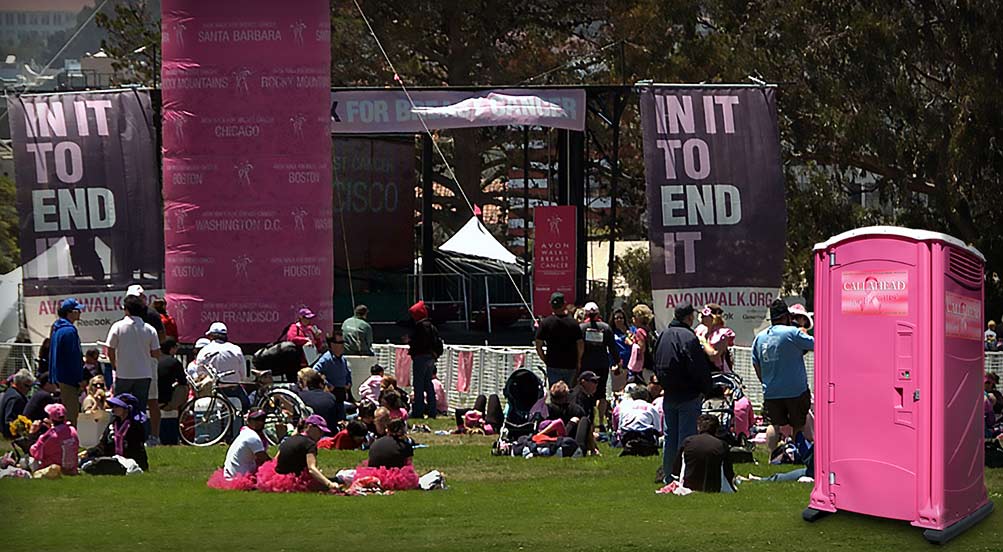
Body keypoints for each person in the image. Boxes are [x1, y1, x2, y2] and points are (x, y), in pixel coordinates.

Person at [654, 302, 715, 483]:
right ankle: (684, 477)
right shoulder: (689, 337)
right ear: (688, 317)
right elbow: (698, 367)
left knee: (670, 437)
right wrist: (707, 388)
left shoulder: (663, 335)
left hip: (669, 393)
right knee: (686, 438)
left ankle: (668, 475)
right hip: (688, 394)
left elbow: (655, 361)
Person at [752, 299, 815, 452]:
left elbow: (756, 363)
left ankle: (772, 455)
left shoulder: (759, 338)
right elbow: (816, 344)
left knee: (774, 424)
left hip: (771, 390)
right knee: (797, 424)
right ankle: (796, 452)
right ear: (786, 316)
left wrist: (765, 382)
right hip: (795, 390)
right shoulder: (793, 333)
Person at [106, 295, 161, 445]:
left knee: (118, 407)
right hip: (144, 374)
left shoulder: (118, 326)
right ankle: (139, 438)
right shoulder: (150, 329)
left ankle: (117, 436)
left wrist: (114, 365)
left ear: (126, 309)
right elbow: (156, 353)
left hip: (124, 373)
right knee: (140, 409)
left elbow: (109, 349)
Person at [256, 414, 339, 492]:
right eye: (320, 431)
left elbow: (275, 460)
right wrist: (329, 484)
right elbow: (312, 469)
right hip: (292, 482)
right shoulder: (309, 444)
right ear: (310, 427)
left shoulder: (289, 439)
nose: (321, 435)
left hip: (274, 479)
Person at [671, 414, 736, 493]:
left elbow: (676, 469)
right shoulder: (722, 445)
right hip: (715, 487)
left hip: (688, 485)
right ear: (716, 429)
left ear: (698, 427)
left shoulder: (687, 442)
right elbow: (728, 472)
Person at [208, 410, 271, 490]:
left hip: (231, 475)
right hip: (240, 478)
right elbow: (264, 460)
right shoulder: (253, 438)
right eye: (256, 419)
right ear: (248, 421)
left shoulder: (245, 433)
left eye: (262, 419)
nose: (260, 422)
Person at [86, 393, 149, 471]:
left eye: (117, 406)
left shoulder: (135, 426)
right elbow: (103, 444)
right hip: (112, 459)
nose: (113, 409)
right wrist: (88, 452)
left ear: (127, 409)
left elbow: (135, 450)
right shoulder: (113, 423)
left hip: (131, 461)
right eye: (113, 406)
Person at [402, 300, 443, 419]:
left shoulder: (420, 327)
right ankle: (432, 411)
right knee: (428, 384)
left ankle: (418, 411)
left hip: (420, 358)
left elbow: (420, 343)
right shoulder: (432, 327)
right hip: (431, 358)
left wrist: (410, 341)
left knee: (418, 385)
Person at [49, 297, 86, 426]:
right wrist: (79, 378)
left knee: (61, 414)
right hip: (69, 379)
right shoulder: (70, 331)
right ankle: (71, 442)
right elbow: (73, 358)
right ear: (70, 312)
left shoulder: (57, 328)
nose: (80, 313)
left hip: (59, 377)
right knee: (71, 415)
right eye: (78, 310)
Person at [579, 302, 617, 427]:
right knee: (601, 393)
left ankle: (588, 419)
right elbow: (612, 347)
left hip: (586, 364)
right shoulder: (606, 328)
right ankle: (601, 421)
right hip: (602, 364)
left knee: (585, 392)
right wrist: (617, 361)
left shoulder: (581, 328)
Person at [197, 322, 250, 411]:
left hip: (212, 391)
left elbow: (200, 373)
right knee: (247, 408)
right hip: (234, 390)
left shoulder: (204, 351)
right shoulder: (235, 349)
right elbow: (243, 375)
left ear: (211, 336)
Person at [535, 292, 584, 387]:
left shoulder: (545, 323)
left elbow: (538, 344)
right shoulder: (573, 324)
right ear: (564, 304)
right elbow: (580, 345)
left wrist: (545, 359)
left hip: (553, 364)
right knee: (569, 393)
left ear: (551, 305)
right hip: (570, 364)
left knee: (555, 393)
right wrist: (579, 361)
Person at [537, 381, 598, 455]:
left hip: (548, 443)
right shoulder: (576, 410)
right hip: (571, 445)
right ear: (567, 396)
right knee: (585, 421)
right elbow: (587, 432)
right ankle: (589, 449)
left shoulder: (545, 410)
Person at [29, 403, 79, 475]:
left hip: (53, 469)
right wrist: (52, 429)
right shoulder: (73, 430)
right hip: (71, 469)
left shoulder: (48, 436)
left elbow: (34, 452)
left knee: (30, 460)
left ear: (51, 418)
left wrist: (32, 433)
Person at [613, 384, 661, 456]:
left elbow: (620, 427)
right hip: (645, 434)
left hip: (627, 434)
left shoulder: (625, 407)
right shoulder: (651, 407)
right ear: (647, 396)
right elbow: (658, 428)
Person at [313, 331, 351, 415]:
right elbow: (315, 371)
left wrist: (348, 382)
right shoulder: (326, 359)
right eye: (340, 342)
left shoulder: (343, 359)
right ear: (332, 344)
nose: (342, 345)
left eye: (343, 342)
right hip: (332, 394)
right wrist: (327, 384)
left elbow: (348, 372)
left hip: (342, 394)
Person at [158, 338, 189, 414]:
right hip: (165, 399)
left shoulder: (154, 360)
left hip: (151, 398)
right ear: (171, 349)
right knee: (184, 388)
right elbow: (183, 381)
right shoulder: (174, 362)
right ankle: (182, 414)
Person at [1, 369, 32, 438]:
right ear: (18, 383)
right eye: (27, 386)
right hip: (11, 437)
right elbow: (9, 420)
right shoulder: (16, 398)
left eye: (31, 386)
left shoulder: (9, 392)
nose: (29, 389)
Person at [610, 308, 633, 392]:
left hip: (631, 366)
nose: (619, 320)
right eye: (616, 318)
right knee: (617, 390)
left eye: (621, 318)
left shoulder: (631, 330)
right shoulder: (611, 332)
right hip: (617, 367)